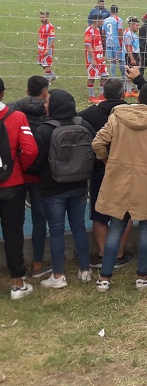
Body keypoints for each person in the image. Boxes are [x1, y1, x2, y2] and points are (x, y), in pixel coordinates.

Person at [91, 82, 147, 291]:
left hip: (118, 180)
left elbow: (97, 143)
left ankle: (104, 278)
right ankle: (142, 277)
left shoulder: (117, 118)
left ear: (137, 98)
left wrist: (107, 161)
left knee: (116, 228)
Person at [79, 75, 145, 270]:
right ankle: (118, 252)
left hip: (100, 169)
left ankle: (103, 253)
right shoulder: (133, 112)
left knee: (99, 213)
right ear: (124, 93)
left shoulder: (88, 114)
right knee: (127, 212)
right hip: (128, 168)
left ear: (103, 94)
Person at [31, 89, 95, 289]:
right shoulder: (83, 124)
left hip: (53, 187)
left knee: (56, 230)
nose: (44, 104)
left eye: (47, 100)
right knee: (79, 226)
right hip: (79, 184)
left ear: (55, 104)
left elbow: (36, 160)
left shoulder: (44, 130)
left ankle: (58, 275)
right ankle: (85, 269)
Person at [0, 77, 41, 300]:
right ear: (3, 94)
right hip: (12, 183)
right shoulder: (16, 117)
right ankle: (17, 283)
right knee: (13, 233)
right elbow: (30, 150)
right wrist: (19, 167)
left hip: (12, 180)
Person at [8, 76, 52, 279]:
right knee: (39, 218)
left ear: (27, 91)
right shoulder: (49, 112)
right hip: (39, 172)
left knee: (13, 222)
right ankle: (37, 263)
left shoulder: (13, 110)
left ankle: (18, 267)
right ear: (45, 92)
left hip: (15, 172)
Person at [84, 14, 109, 103]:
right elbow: (88, 46)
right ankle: (91, 97)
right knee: (92, 77)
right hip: (93, 58)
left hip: (100, 57)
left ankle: (102, 95)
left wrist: (102, 55)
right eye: (101, 20)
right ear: (96, 21)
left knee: (105, 75)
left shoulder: (97, 30)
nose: (102, 22)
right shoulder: (89, 31)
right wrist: (93, 59)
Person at [102, 5, 125, 79]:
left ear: (110, 11)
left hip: (108, 42)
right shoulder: (118, 19)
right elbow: (119, 31)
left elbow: (103, 32)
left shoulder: (105, 20)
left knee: (112, 61)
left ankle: (113, 78)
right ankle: (123, 77)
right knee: (121, 60)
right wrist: (122, 39)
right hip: (117, 42)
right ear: (117, 11)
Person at [123, 16, 142, 96]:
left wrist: (138, 54)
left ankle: (129, 90)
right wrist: (132, 58)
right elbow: (128, 47)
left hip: (135, 54)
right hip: (131, 54)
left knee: (134, 71)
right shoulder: (128, 34)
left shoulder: (133, 33)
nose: (138, 27)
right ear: (131, 25)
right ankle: (128, 91)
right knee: (131, 72)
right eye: (136, 25)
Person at [37, 10, 57, 81]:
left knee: (47, 65)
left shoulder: (50, 27)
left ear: (47, 17)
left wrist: (48, 49)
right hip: (41, 49)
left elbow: (52, 39)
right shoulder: (42, 26)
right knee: (41, 63)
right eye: (40, 17)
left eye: (43, 17)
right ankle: (52, 75)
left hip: (46, 49)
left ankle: (47, 81)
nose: (41, 19)